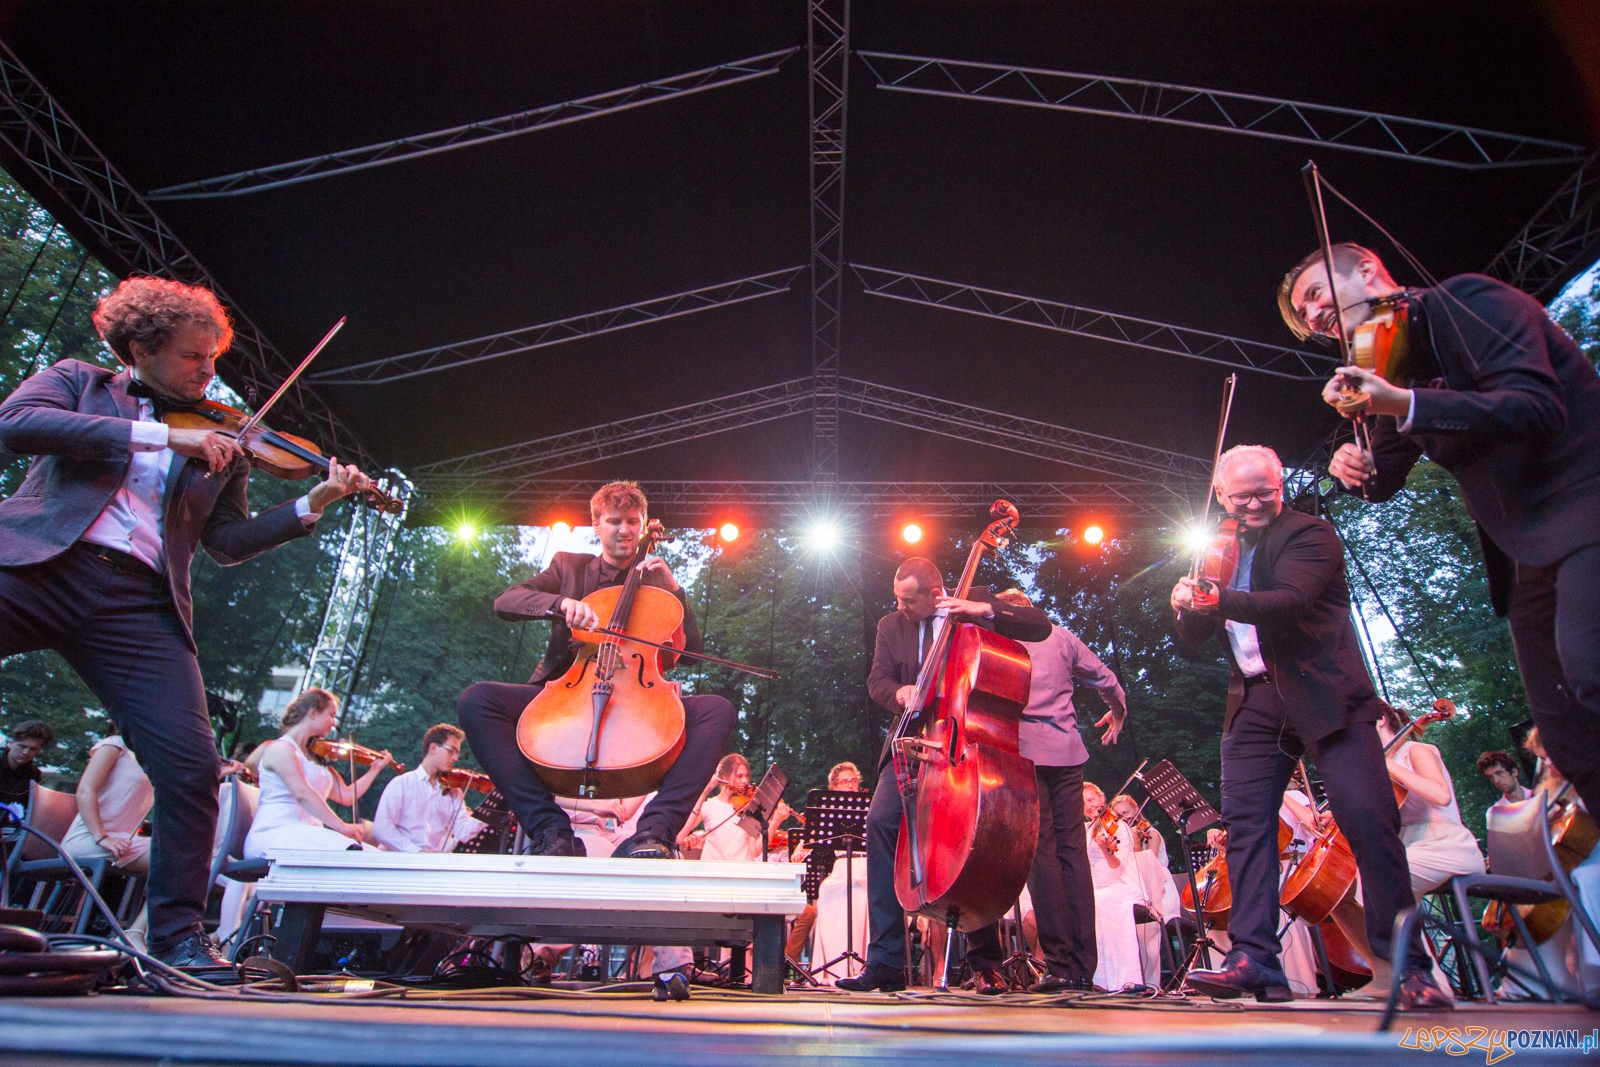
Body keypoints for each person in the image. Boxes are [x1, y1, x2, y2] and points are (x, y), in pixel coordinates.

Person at [0, 276, 377, 968]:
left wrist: (309, 504)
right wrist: (160, 436)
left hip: (137, 604)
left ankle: (174, 938)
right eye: (192, 357)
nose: (210, 372)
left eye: (213, 357)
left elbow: (226, 543)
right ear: (140, 348)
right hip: (40, 564)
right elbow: (15, 424)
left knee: (191, 766)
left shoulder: (221, 434)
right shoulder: (80, 382)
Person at [1281, 243, 1600, 821]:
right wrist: (1353, 466)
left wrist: (1404, 401)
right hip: (1526, 553)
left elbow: (1537, 407)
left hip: (1585, 507)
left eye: (1315, 293)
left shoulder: (1468, 298)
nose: (1312, 315)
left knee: (1591, 667)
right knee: (1565, 733)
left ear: (1368, 270)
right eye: (1304, 316)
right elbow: (1383, 474)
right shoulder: (1390, 363)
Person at [1170, 443, 1448, 1009]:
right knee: (1247, 832)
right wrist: (1184, 605)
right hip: (1254, 699)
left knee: (1369, 821)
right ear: (1220, 494)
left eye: (1264, 492)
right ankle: (1254, 960)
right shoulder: (1215, 550)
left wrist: (1217, 598)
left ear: (1280, 486)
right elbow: (1193, 640)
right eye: (1241, 494)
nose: (1252, 503)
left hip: (1325, 694)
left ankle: (1408, 967)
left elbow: (1288, 602)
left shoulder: (1309, 534)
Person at [456, 481, 736, 859]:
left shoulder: (658, 583)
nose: (625, 530)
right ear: (596, 525)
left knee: (718, 710)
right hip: (567, 693)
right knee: (477, 701)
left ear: (643, 525)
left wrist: (677, 592)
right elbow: (507, 601)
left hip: (636, 701)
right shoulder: (569, 567)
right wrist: (561, 603)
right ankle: (550, 830)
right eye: (615, 521)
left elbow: (693, 654)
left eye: (633, 522)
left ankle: (653, 831)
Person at [837, 556, 1052, 994]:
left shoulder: (971, 603)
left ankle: (984, 959)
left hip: (960, 745)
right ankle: (886, 961)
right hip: (910, 744)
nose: (900, 607)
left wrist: (984, 610)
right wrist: (898, 692)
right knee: (879, 823)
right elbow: (876, 680)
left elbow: (1038, 626)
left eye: (909, 600)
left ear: (935, 594)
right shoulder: (890, 626)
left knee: (968, 837)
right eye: (896, 598)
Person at [960, 588, 1128, 994]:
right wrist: (1117, 710)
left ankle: (1058, 963)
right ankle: (1083, 969)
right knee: (1073, 857)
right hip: (1069, 756)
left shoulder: (999, 638)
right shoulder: (1062, 636)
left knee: (1042, 855)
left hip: (1024, 756)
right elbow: (1107, 678)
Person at [244, 689, 391, 857]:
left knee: (373, 855)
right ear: (313, 713)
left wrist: (375, 769)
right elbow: (302, 793)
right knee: (351, 852)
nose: (334, 723)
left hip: (307, 835)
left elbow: (347, 796)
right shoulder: (281, 749)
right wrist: (340, 825)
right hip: (275, 833)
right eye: (331, 715)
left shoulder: (316, 757)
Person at [1378, 705, 1486, 899]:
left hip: (1447, 845)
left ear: (1380, 720)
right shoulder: (1377, 770)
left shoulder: (1415, 750)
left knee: (1383, 877)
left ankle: (1404, 930)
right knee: (1356, 886)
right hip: (1408, 847)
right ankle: (1402, 930)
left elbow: (1441, 795)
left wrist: (1386, 764)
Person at [60, 731, 154, 950]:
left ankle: (136, 933)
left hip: (120, 842)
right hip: (87, 839)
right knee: (176, 861)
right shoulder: (115, 745)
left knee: (186, 861)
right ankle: (136, 934)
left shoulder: (155, 759)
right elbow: (84, 791)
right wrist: (102, 836)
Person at [786, 761, 865, 968]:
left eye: (853, 781)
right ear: (834, 788)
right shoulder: (829, 811)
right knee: (827, 891)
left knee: (861, 892)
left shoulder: (868, 807)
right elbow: (813, 834)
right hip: (841, 868)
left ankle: (861, 965)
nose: (850, 785)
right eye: (845, 782)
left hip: (865, 867)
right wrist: (801, 848)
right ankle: (832, 965)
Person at [371, 723, 487, 853]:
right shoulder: (402, 784)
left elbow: (463, 832)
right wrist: (416, 851)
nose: (455, 758)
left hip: (433, 866)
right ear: (433, 748)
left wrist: (489, 811)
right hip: (399, 863)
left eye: (457, 753)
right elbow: (382, 829)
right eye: (451, 751)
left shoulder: (454, 792)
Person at [1082, 782, 1151, 991]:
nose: (1090, 805)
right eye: (1084, 802)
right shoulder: (1085, 829)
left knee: (1102, 902)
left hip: (1118, 884)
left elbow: (1117, 866)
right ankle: (1096, 979)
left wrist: (1105, 848)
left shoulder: (1119, 827)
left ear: (1103, 798)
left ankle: (1123, 979)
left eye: (1092, 799)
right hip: (1094, 888)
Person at [0, 720, 54, 818]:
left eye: (33, 749)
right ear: (10, 743)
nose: (25, 752)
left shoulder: (34, 775)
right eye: (22, 746)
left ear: (39, 751)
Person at [1477, 750, 1530, 816]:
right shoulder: (1495, 813)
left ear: (1514, 772)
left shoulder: (1539, 796)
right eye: (1491, 777)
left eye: (1499, 773)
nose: (1496, 781)